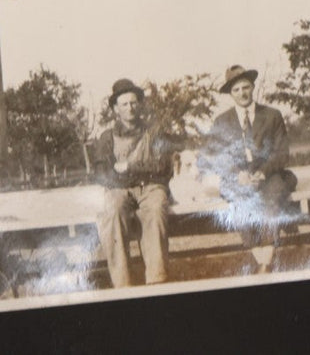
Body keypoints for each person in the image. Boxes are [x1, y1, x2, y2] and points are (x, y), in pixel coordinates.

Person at [200, 65, 296, 273]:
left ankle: (265, 263)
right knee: (239, 202)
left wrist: (263, 172)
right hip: (238, 178)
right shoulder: (221, 121)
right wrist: (237, 174)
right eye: (236, 90)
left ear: (252, 88)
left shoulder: (272, 115)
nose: (242, 93)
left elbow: (282, 152)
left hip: (268, 174)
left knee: (272, 196)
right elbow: (216, 155)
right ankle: (261, 260)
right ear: (230, 94)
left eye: (245, 87)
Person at [90, 78, 181, 288]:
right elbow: (102, 173)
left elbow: (162, 167)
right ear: (115, 109)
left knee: (156, 210)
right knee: (112, 212)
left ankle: (157, 280)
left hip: (151, 188)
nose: (130, 108)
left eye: (133, 103)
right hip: (120, 189)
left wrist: (130, 168)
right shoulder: (107, 137)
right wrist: (130, 176)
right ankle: (123, 285)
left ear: (139, 105)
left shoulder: (154, 132)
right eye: (124, 104)